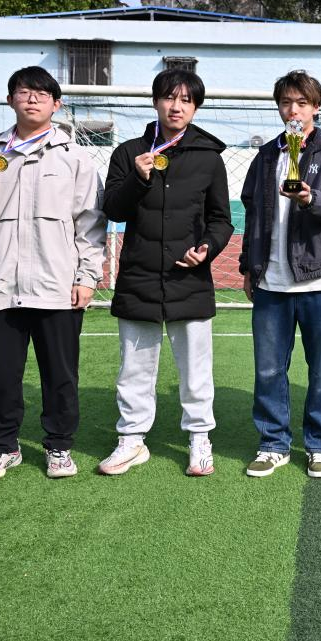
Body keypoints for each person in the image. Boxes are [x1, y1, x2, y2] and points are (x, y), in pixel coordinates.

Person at [0, 66, 105, 481]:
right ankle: (4, 447)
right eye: (23, 91)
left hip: (57, 286)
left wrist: (87, 277)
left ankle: (59, 446)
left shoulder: (75, 158)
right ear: (10, 100)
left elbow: (90, 224)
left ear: (57, 104)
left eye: (41, 93)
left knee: (60, 376)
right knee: (1, 376)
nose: (32, 98)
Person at [98, 68, 233, 478]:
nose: (177, 106)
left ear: (195, 107)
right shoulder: (129, 152)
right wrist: (137, 178)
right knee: (134, 368)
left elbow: (221, 219)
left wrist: (207, 248)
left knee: (195, 369)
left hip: (188, 278)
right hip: (138, 276)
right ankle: (132, 439)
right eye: (170, 98)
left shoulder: (209, 158)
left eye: (186, 100)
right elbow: (113, 209)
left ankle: (199, 438)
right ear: (156, 101)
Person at [239, 71, 321, 478]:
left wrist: (309, 197)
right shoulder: (266, 155)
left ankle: (320, 444)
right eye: (287, 102)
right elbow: (252, 213)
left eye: (302, 103)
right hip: (271, 282)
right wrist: (248, 266)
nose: (294, 110)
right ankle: (273, 443)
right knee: (269, 369)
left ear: (316, 108)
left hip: (319, 281)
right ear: (278, 107)